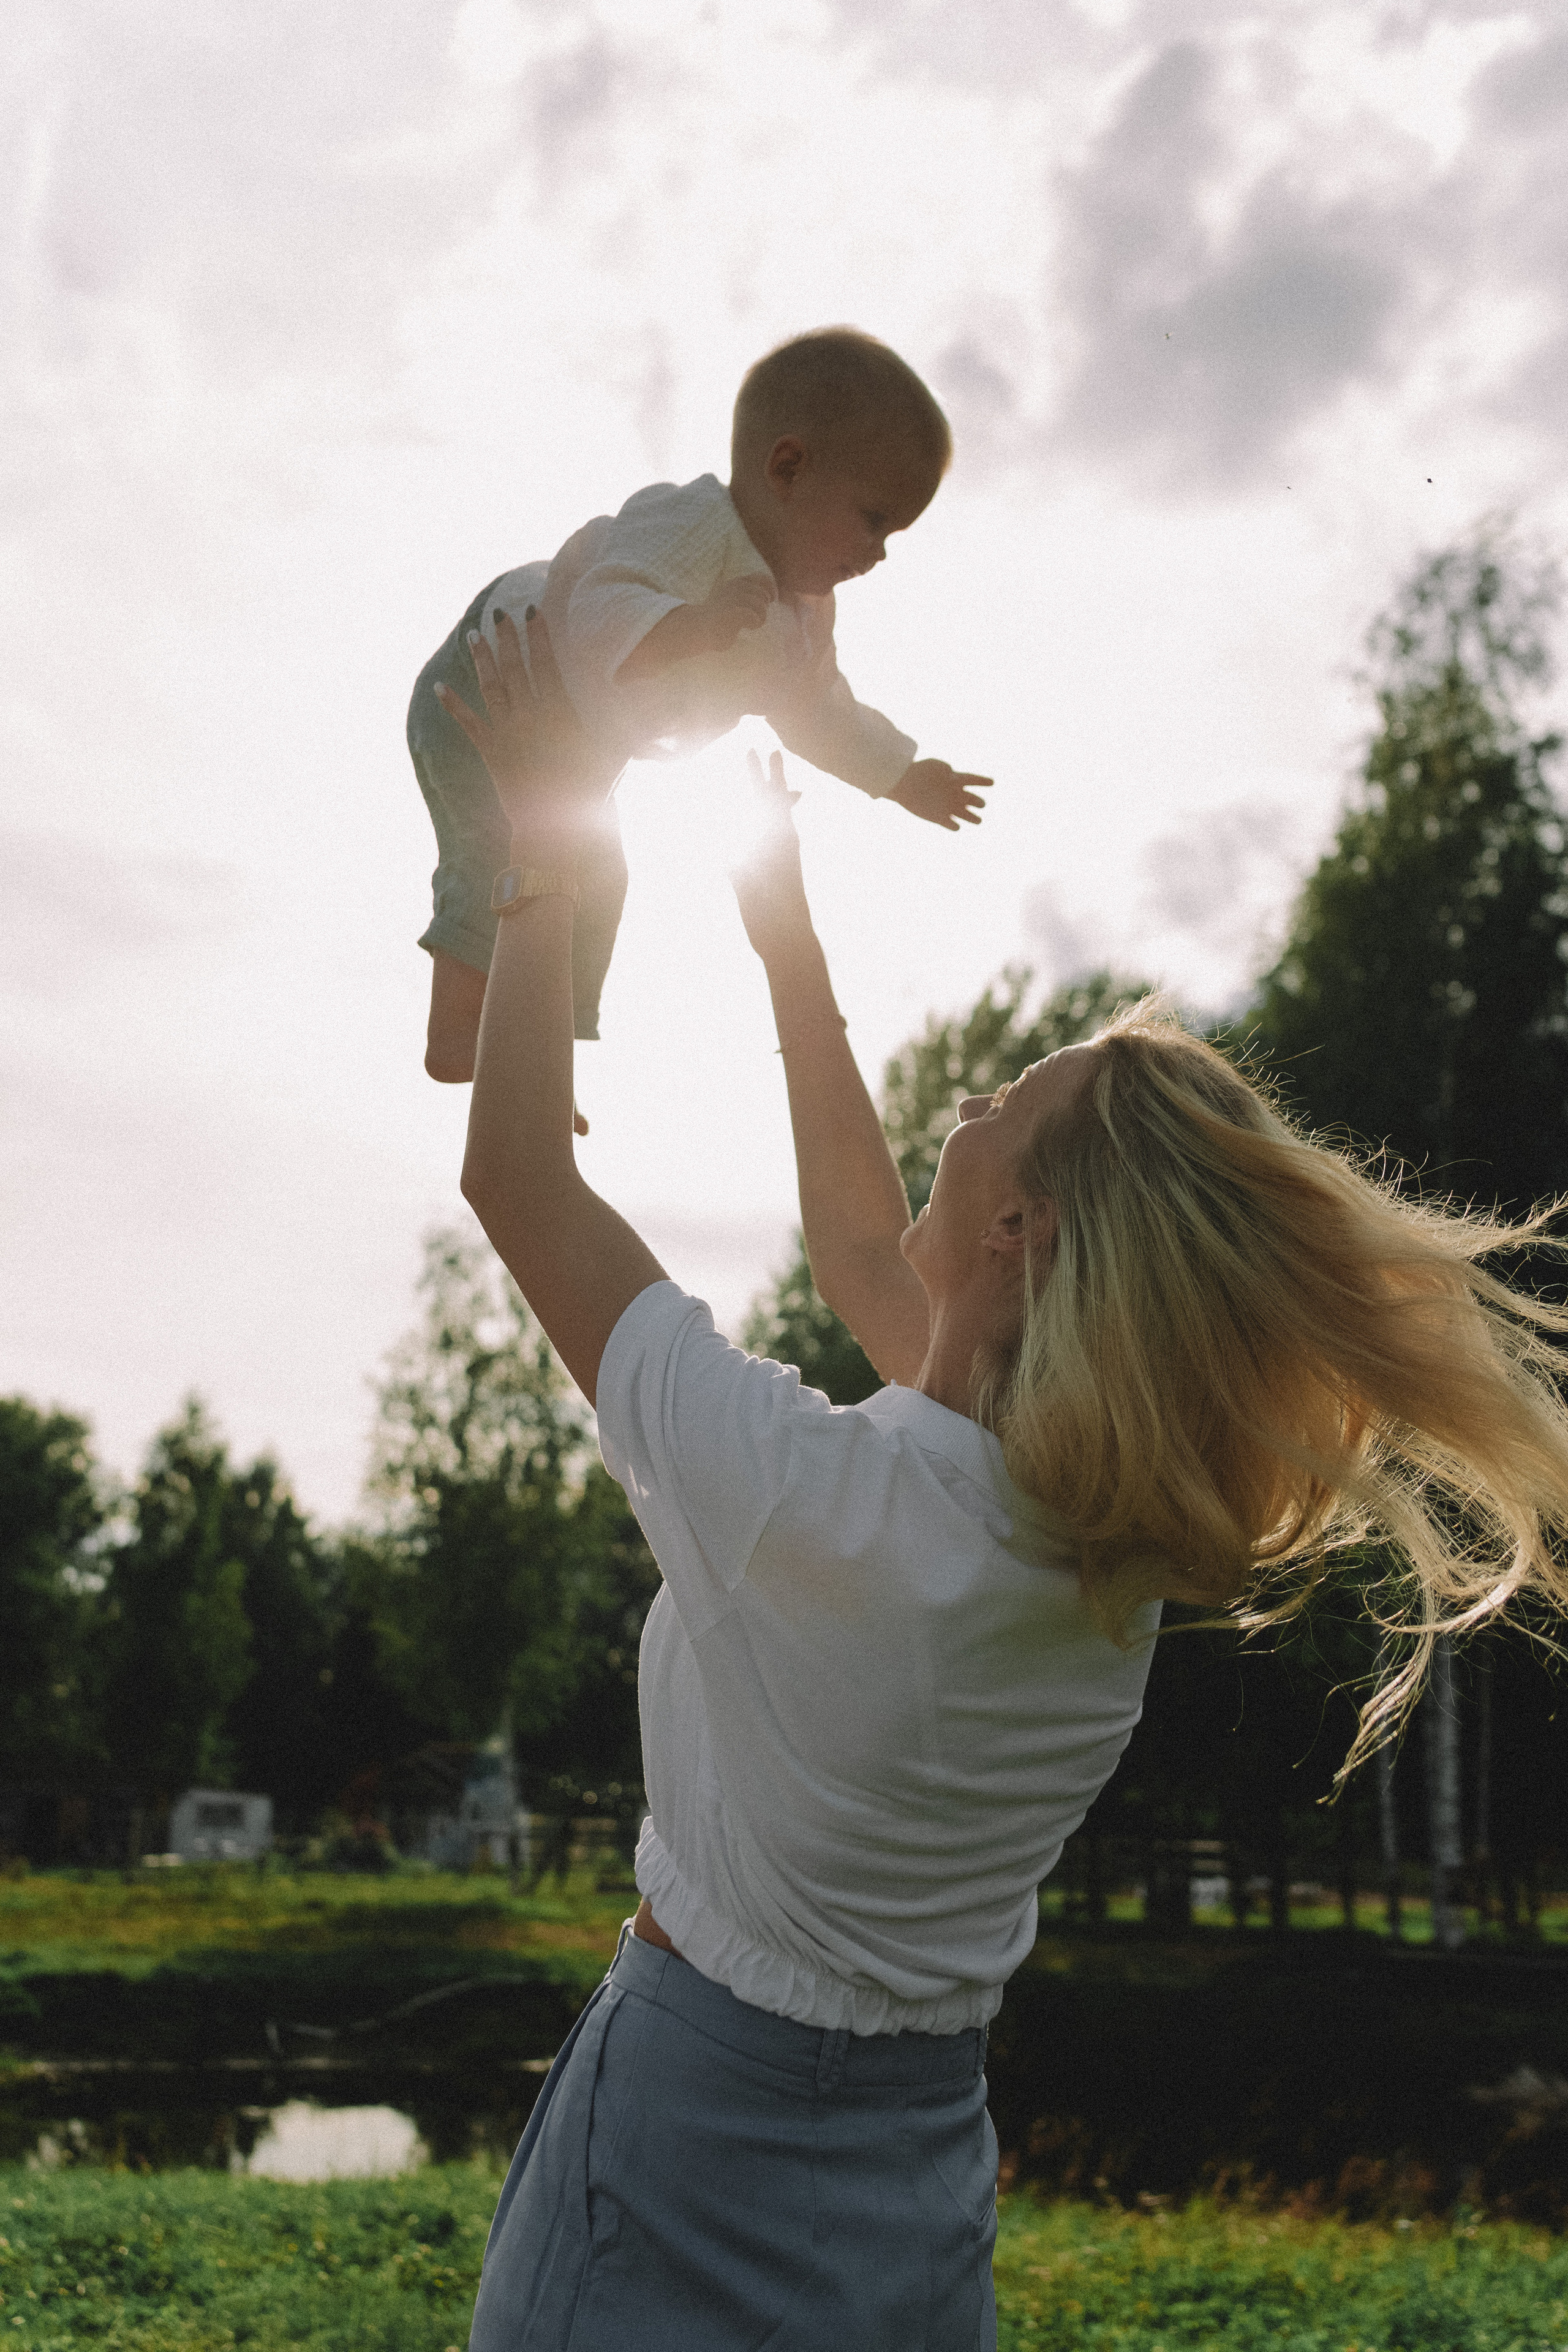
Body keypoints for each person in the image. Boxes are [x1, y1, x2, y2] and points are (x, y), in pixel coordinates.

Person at [443, 616, 1568, 2349]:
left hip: (681, 2138)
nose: (958, 1112)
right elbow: (859, 1247)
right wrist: (783, 933)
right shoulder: (1086, 1550)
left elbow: (519, 1177)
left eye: (988, 1104)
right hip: (907, 2165)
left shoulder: (804, 1504)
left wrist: (533, 858)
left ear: (1017, 1230)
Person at [410, 326, 992, 1086]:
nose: (879, 553)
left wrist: (898, 773)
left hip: (581, 746)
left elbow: (816, 710)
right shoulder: (690, 524)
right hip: (499, 679)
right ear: (787, 467)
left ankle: (529, 1061)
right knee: (496, 845)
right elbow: (599, 606)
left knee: (595, 876)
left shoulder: (805, 618)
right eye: (874, 519)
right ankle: (455, 1032)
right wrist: (693, 625)